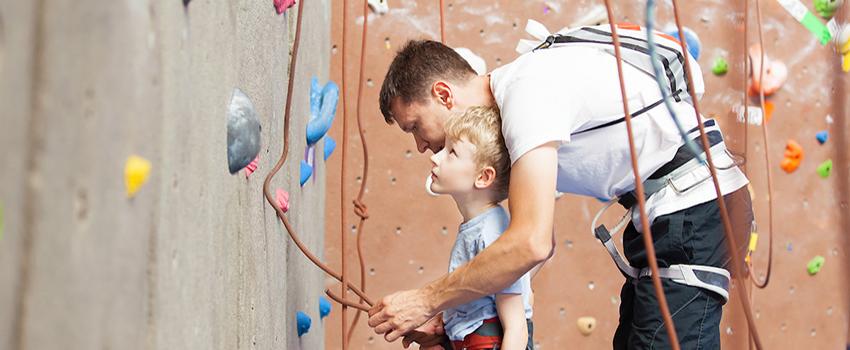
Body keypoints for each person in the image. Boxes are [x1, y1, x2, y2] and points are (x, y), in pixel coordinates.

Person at [369, 24, 754, 349]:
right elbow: (532, 249)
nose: (421, 146)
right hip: (677, 213)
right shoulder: (518, 108)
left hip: (693, 209)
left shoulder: (527, 94)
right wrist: (460, 313)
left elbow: (530, 243)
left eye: (415, 126)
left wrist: (426, 300)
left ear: (443, 94)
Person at [425, 106, 544, 350]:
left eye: (451, 152)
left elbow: (516, 327)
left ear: (483, 177)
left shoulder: (491, 233)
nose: (435, 157)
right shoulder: (478, 227)